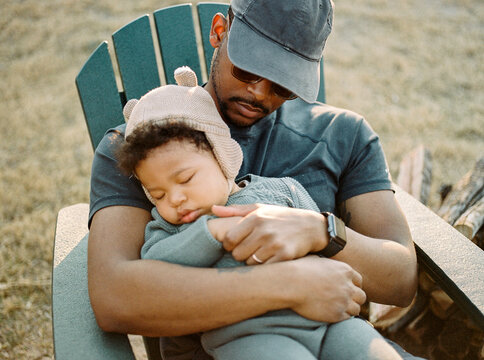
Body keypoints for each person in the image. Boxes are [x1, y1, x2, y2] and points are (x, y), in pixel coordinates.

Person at [88, 0, 420, 358]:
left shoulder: (344, 135)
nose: (260, 92)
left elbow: (401, 280)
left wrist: (321, 232)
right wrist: (289, 285)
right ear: (219, 32)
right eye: (248, 69)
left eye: (283, 84)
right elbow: (114, 298)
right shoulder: (141, 153)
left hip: (339, 337)